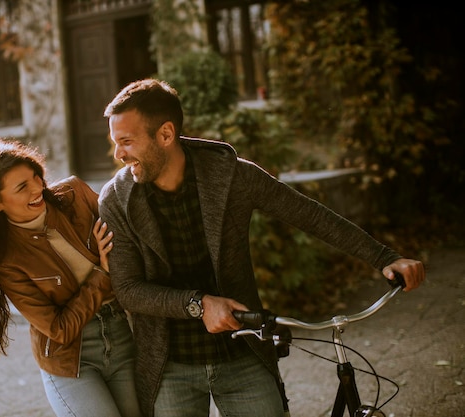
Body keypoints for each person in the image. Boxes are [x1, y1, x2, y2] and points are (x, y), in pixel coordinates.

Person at [97, 79, 425, 417]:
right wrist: (199, 304)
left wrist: (385, 258)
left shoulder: (231, 177)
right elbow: (128, 290)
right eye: (115, 143)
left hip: (243, 352)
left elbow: (309, 215)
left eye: (126, 142)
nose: (119, 154)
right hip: (169, 365)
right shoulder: (117, 199)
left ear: (165, 134)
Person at [0, 138, 142, 417]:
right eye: (22, 187)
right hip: (69, 360)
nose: (38, 188)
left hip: (123, 337)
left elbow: (129, 243)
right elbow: (60, 329)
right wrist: (101, 272)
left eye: (35, 177)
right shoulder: (7, 261)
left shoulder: (75, 194)